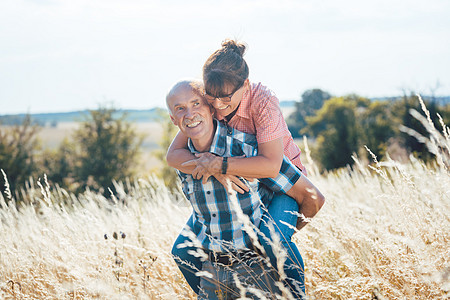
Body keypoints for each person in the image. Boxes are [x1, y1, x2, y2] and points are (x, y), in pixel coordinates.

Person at [167, 79, 325, 298]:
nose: (190, 113)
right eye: (180, 108)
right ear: (173, 119)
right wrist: (213, 167)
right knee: (181, 251)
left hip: (257, 264)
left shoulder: (247, 148)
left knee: (275, 238)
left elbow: (312, 196)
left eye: (196, 103)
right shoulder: (183, 157)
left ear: (212, 109)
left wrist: (283, 234)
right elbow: (173, 155)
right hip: (215, 274)